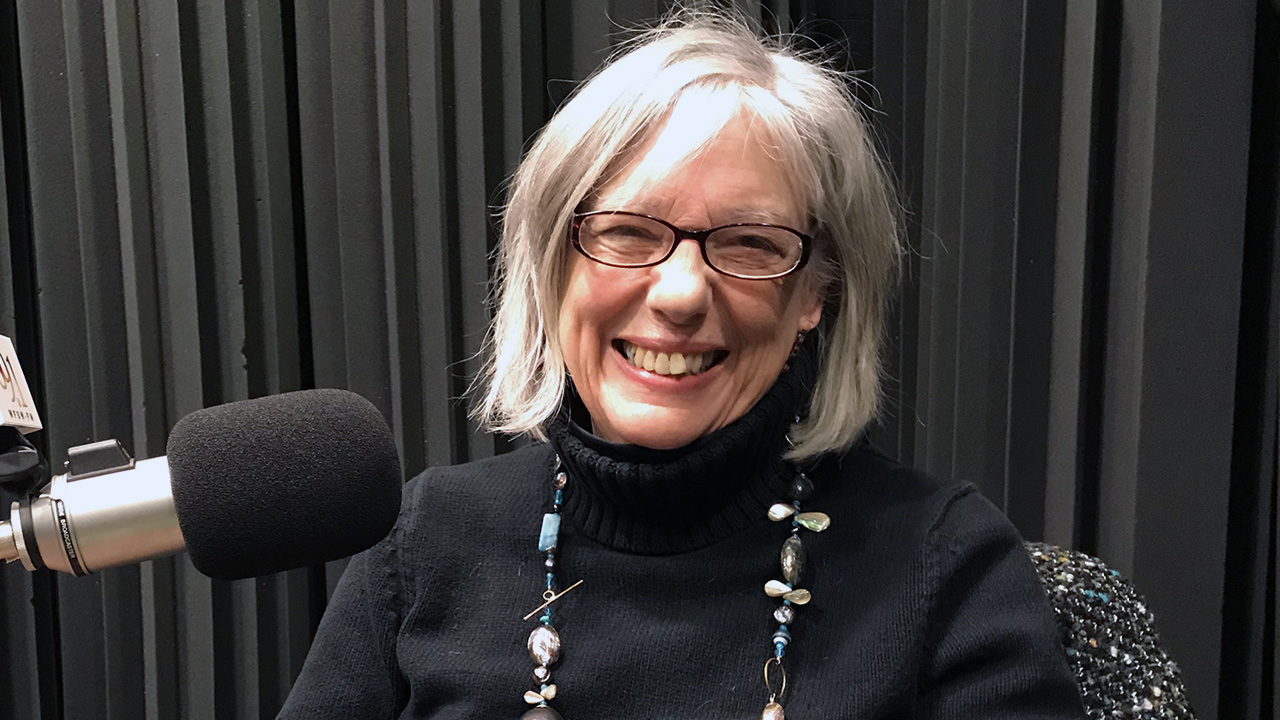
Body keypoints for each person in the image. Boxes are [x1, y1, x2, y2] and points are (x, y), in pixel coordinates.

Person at [279, 9, 1087, 720]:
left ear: (816, 293)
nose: (680, 293)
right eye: (628, 231)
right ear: (554, 264)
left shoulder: (943, 566)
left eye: (750, 243)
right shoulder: (424, 544)